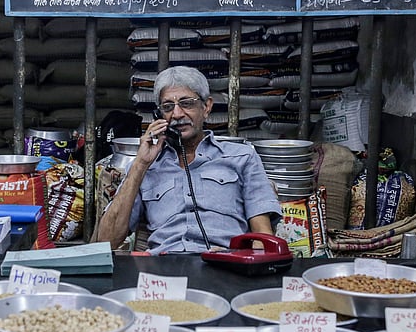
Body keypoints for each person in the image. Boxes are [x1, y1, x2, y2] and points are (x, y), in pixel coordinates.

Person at [94, 66, 282, 253]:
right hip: (164, 269)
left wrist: (241, 259)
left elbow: (263, 237)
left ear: (206, 107)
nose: (176, 114)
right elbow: (106, 241)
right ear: (159, 116)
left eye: (187, 103)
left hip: (224, 264)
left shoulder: (241, 157)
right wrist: (140, 165)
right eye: (168, 107)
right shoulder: (146, 165)